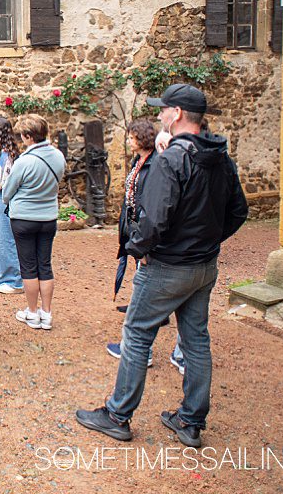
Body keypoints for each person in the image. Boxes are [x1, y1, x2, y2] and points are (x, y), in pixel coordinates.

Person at [76, 84, 248, 448]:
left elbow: (154, 218)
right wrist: (208, 241)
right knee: (196, 339)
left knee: (137, 335)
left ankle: (117, 415)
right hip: (203, 265)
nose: (159, 116)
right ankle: (190, 421)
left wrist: (138, 249)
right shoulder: (219, 156)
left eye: (163, 110)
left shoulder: (173, 159)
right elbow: (238, 211)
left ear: (178, 114)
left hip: (168, 264)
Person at [106, 119, 161, 366]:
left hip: (144, 232)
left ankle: (138, 350)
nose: (128, 141)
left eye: (131, 137)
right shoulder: (138, 161)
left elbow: (150, 205)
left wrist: (142, 243)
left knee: (144, 285)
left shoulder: (155, 164)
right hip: (135, 228)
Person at [2, 114, 66, 331]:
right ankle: (46, 313)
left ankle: (31, 312)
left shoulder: (24, 161)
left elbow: (7, 192)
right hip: (48, 217)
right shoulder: (58, 157)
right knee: (45, 265)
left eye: (22, 136)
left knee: (28, 267)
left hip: (24, 219)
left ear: (29, 136)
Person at [0, 115, 24, 294]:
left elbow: (7, 179)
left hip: (3, 197)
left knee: (5, 236)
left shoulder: (7, 154)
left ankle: (13, 279)